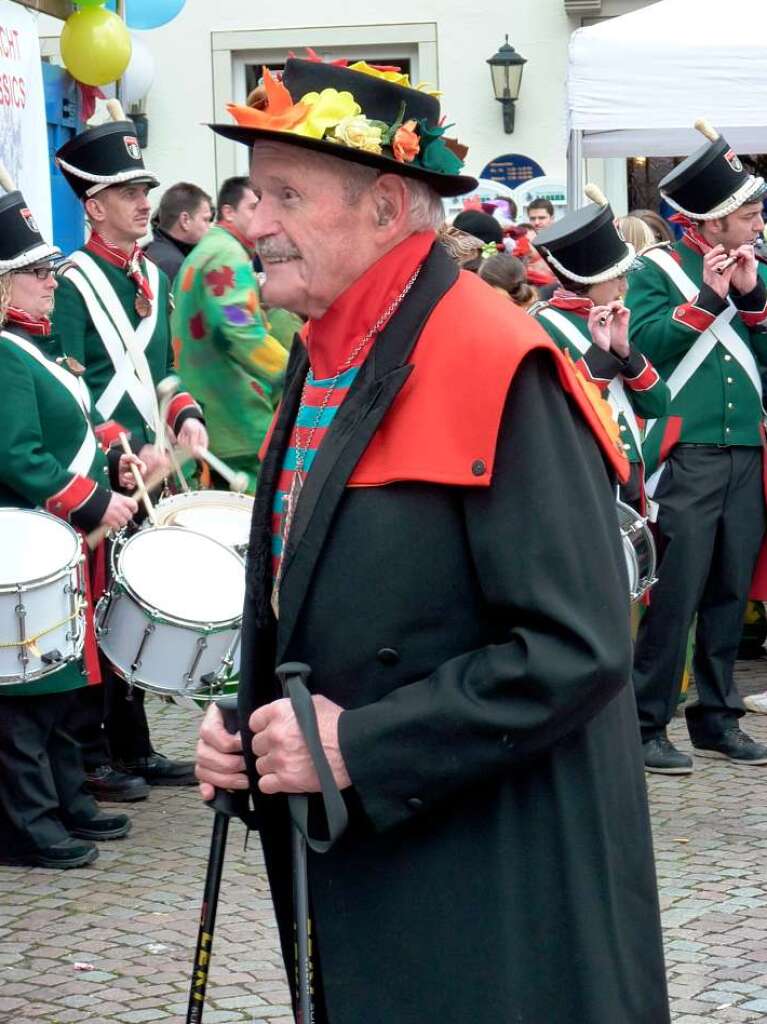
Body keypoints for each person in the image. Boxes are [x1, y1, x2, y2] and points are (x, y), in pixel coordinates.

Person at [195, 55, 670, 1024]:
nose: (253, 221)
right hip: (389, 887)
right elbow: (325, 600)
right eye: (253, 192)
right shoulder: (326, 351)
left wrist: (357, 743)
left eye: (285, 193)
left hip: (491, 910)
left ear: (383, 206)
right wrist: (255, 735)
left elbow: (578, 643)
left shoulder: (496, 360)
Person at [52, 117, 209, 799]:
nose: (145, 201)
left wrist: (186, 418)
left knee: (136, 603)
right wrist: (120, 450)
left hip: (152, 469)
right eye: (128, 191)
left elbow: (162, 376)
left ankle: (134, 745)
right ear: (94, 206)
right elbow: (66, 386)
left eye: (144, 188)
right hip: (101, 473)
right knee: (97, 607)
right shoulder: (68, 282)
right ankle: (91, 754)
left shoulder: (152, 278)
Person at [0, 187, 143, 867]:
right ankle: (24, 822)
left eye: (50, 269)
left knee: (61, 682)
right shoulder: (3, 353)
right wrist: (91, 502)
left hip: (55, 543)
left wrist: (116, 451)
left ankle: (63, 800)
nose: (50, 281)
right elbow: (17, 453)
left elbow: (75, 426)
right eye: (35, 272)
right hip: (25, 543)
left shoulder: (37, 349)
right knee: (26, 688)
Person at [627, 121, 767, 773]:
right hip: (684, 452)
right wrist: (709, 299)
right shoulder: (655, 269)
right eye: (748, 212)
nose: (757, 221)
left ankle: (716, 718)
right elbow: (645, 348)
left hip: (743, 447)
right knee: (675, 591)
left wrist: (750, 301)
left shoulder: (754, 271)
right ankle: (645, 720)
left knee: (727, 591)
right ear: (713, 223)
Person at [531, 186, 670, 510]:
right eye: (618, 277)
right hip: (585, 473)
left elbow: (658, 403)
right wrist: (601, 356)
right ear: (588, 278)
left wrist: (624, 351)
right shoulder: (542, 325)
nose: (625, 286)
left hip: (630, 470)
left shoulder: (612, 318)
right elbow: (556, 411)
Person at [172, 176, 289, 492]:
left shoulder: (208, 250)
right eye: (254, 207)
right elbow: (238, 324)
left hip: (214, 411)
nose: (263, 215)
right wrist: (292, 370)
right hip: (234, 416)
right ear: (228, 213)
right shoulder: (227, 253)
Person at [143, 181, 214, 284]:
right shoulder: (174, 265)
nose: (210, 227)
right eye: (206, 220)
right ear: (185, 220)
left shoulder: (154, 252)